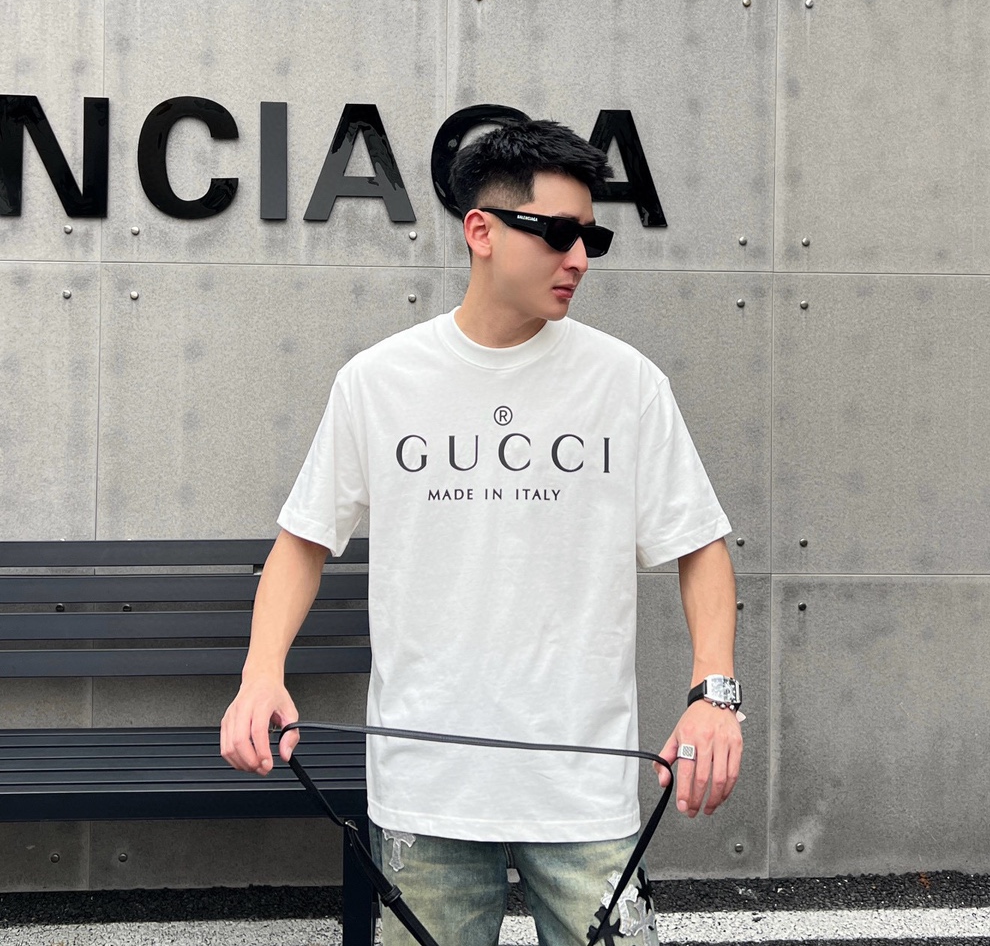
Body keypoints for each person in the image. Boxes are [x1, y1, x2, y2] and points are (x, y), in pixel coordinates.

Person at [220, 119, 742, 946]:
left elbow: (698, 544)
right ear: (481, 231)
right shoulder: (379, 382)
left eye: (592, 237)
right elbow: (304, 541)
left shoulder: (627, 384)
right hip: (428, 791)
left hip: (583, 791)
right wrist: (260, 676)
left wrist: (714, 693)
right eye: (559, 234)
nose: (580, 258)